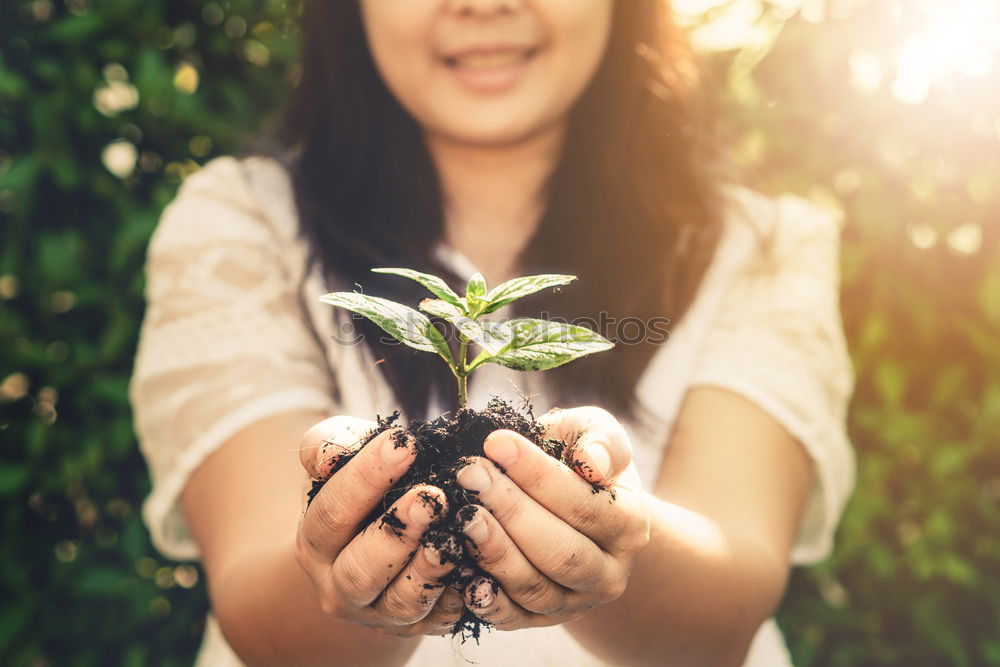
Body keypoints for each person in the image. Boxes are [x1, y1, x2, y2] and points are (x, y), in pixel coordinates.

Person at [129, 1, 855, 665]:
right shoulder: (243, 224)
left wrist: (620, 541)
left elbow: (729, 600)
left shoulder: (759, 245)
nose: (484, 4)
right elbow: (260, 605)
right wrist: (348, 554)